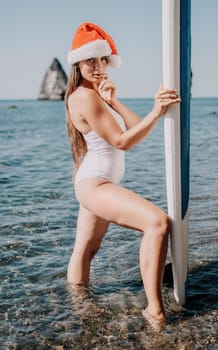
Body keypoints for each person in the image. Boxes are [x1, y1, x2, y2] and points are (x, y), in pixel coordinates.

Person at [65, 22, 181, 331]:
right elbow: (122, 142)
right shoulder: (83, 97)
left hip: (96, 182)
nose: (98, 66)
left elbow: (132, 126)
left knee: (86, 251)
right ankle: (154, 311)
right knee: (157, 223)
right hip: (95, 184)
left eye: (103, 59)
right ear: (78, 62)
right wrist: (157, 111)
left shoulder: (97, 95)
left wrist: (114, 100)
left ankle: (78, 311)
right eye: (91, 60)